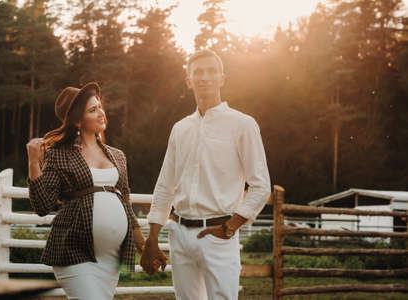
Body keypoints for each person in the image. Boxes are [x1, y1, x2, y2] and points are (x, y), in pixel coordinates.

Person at [140, 50, 271, 300]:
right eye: (198, 72)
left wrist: (230, 227)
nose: (205, 77)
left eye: (212, 71)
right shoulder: (180, 129)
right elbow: (165, 184)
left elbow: (261, 186)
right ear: (188, 80)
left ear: (222, 78)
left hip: (219, 235)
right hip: (179, 233)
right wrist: (153, 237)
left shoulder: (243, 125)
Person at [26, 82, 145, 300]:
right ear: (78, 120)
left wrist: (143, 246)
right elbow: (42, 205)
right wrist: (34, 163)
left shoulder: (117, 156)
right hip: (74, 251)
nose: (101, 113)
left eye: (100, 107)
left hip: (111, 258)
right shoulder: (59, 154)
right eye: (92, 110)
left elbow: (126, 202)